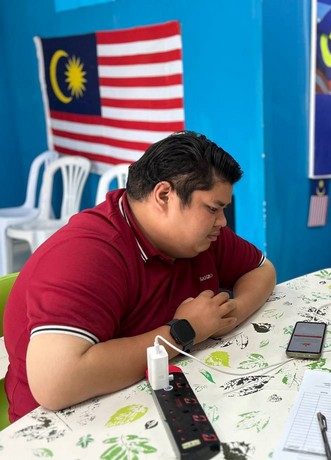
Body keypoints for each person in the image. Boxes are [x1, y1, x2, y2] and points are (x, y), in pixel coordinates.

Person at [4, 131, 277, 422]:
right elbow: (56, 384)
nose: (222, 221)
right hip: (64, 424)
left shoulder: (200, 237)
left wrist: (226, 316)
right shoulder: (86, 254)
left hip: (159, 394)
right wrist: (184, 332)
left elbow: (262, 270)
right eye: (213, 208)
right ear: (164, 196)